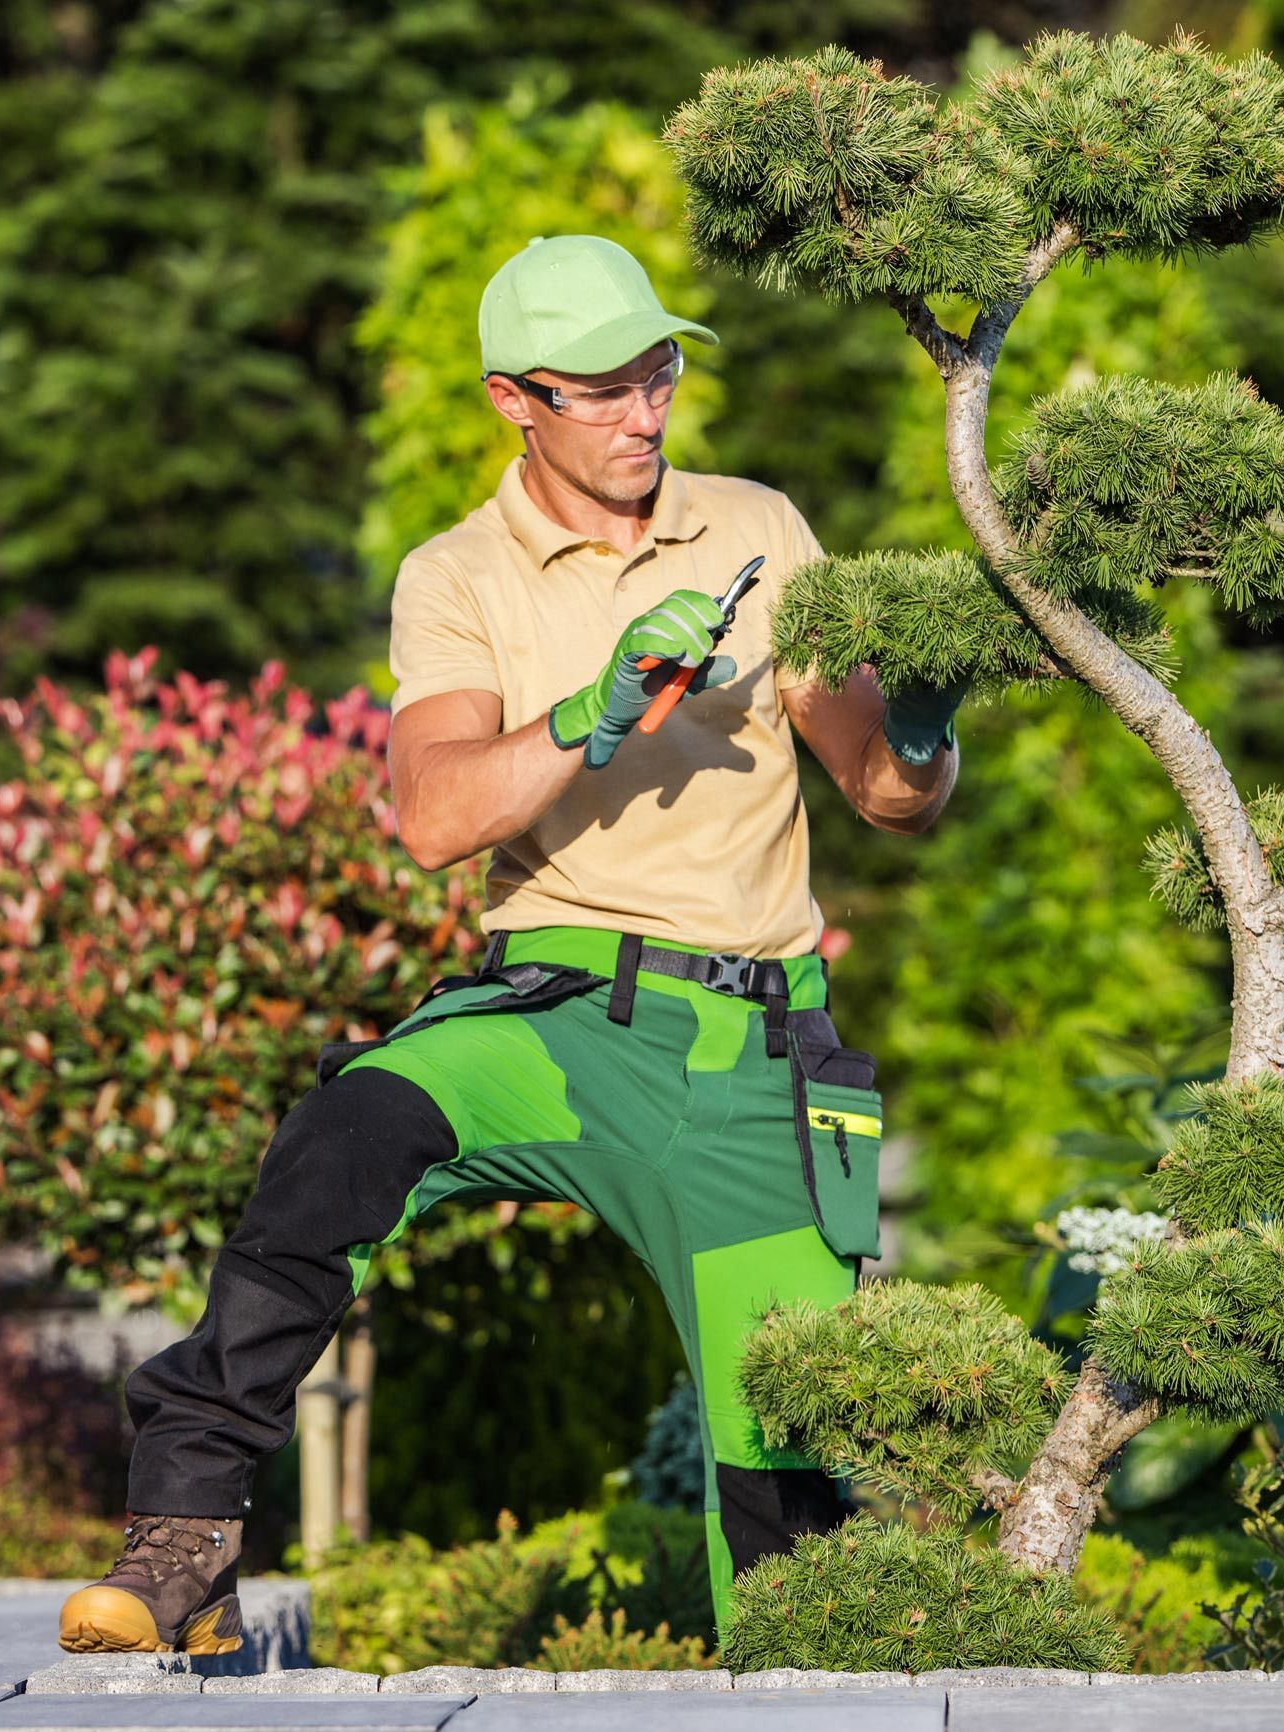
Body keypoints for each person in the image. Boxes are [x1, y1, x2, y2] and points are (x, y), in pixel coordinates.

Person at [57, 235, 962, 1658]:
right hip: (553, 1019)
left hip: (751, 1051)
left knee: (792, 1519)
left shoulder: (760, 527)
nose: (644, 413)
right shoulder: (457, 575)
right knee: (350, 1129)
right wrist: (587, 715)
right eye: (601, 388)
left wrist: (922, 718)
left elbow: (886, 796)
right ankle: (184, 1537)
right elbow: (432, 813)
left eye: (658, 373)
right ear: (512, 401)